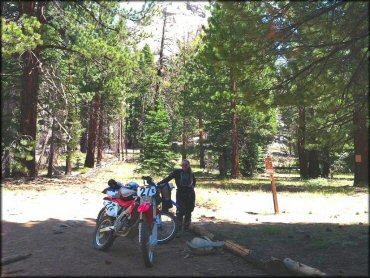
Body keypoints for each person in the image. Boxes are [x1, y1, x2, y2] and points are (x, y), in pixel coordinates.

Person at [158, 159, 196, 231]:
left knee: (189, 211)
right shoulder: (177, 172)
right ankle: (178, 229)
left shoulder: (191, 173)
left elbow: (194, 182)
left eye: (186, 165)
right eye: (182, 165)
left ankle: (186, 228)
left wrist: (192, 187)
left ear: (189, 165)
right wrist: (159, 184)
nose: (184, 166)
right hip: (180, 194)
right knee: (179, 211)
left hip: (190, 194)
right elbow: (168, 178)